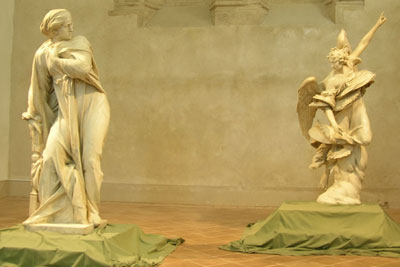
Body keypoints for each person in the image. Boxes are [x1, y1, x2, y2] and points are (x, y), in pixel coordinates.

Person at [22, 9, 110, 226]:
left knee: (90, 158)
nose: (72, 28)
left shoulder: (80, 41)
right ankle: (60, 212)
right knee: (52, 155)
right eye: (67, 25)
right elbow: (39, 89)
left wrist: (57, 62)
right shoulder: (42, 54)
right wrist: (34, 115)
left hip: (93, 104)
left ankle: (92, 211)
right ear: (54, 30)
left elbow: (82, 67)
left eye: (71, 24)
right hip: (66, 110)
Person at [297, 13, 386, 204]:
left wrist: (376, 25)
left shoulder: (351, 64)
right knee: (341, 148)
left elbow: (363, 43)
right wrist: (333, 126)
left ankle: (350, 188)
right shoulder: (330, 81)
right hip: (340, 117)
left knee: (364, 138)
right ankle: (340, 187)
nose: (334, 64)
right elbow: (327, 106)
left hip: (356, 109)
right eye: (332, 62)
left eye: (336, 61)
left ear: (343, 59)